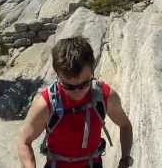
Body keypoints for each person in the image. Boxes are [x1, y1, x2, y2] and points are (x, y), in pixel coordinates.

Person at [17, 37, 133, 168]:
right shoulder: (46, 104)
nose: (78, 92)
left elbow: (125, 125)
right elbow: (23, 141)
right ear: (57, 75)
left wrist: (125, 158)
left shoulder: (105, 96)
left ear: (93, 71)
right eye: (69, 86)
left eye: (84, 84)